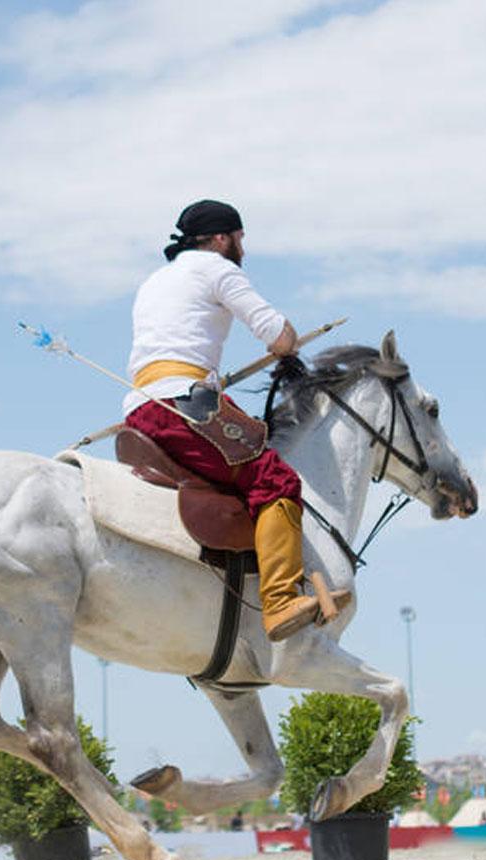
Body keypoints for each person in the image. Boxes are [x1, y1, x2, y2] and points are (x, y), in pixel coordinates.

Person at [123, 199, 347, 641]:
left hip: (141, 406)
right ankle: (281, 601)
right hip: (186, 403)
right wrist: (287, 341)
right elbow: (278, 338)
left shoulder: (154, 281)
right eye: (240, 239)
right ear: (222, 238)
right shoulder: (219, 269)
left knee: (236, 481)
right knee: (276, 480)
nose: (242, 249)